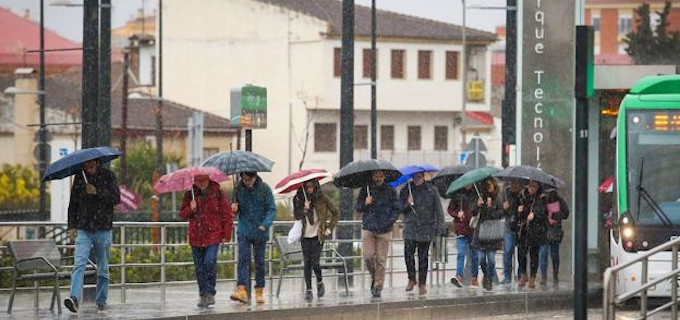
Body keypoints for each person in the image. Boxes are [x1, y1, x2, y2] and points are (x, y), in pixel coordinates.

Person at [64, 159, 120, 313]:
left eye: (91, 166)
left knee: (102, 266)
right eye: (86, 166)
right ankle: (74, 298)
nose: (89, 169)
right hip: (84, 229)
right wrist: (72, 226)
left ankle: (101, 300)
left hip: (103, 228)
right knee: (79, 263)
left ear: (97, 163)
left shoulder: (108, 176)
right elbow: (73, 204)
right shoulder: (79, 178)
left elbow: (116, 198)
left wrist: (97, 192)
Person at [180, 174, 234, 307]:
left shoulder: (218, 194)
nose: (200, 183)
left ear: (208, 179)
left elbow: (226, 214)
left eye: (202, 181)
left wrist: (226, 234)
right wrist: (190, 209)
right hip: (196, 236)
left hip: (213, 235)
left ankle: (210, 292)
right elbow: (182, 214)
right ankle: (203, 293)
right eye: (197, 181)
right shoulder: (190, 194)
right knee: (199, 267)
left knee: (210, 262)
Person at [230, 171, 277, 304]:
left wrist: (265, 224)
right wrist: (233, 208)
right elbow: (233, 210)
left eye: (248, 179)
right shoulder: (237, 189)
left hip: (259, 231)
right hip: (244, 229)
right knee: (243, 259)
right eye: (244, 179)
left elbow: (272, 209)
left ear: (254, 177)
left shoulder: (264, 188)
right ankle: (241, 289)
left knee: (260, 262)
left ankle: (259, 291)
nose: (246, 182)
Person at [356, 170, 402, 298]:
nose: (378, 177)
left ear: (384, 176)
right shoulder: (366, 189)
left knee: (381, 259)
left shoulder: (390, 191)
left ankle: (378, 286)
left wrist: (390, 221)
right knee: (368, 257)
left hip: (385, 229)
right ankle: (375, 278)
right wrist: (365, 203)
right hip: (369, 227)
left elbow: (397, 208)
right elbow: (358, 207)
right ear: (372, 176)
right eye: (375, 175)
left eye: (380, 174)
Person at [292, 180, 340, 301]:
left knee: (315, 262)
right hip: (305, 235)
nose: (309, 189)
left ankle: (319, 281)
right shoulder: (298, 198)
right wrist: (304, 209)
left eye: (311, 186)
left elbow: (336, 212)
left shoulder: (322, 197)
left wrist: (329, 228)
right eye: (307, 187)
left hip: (318, 235)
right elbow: (296, 216)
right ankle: (308, 290)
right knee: (307, 263)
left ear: (316, 186)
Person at [399, 172, 445, 295]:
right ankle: (411, 278)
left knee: (423, 257)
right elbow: (399, 208)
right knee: (408, 254)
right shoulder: (406, 189)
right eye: (415, 176)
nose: (417, 179)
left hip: (426, 227)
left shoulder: (432, 190)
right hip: (410, 227)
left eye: (419, 176)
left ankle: (422, 283)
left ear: (423, 176)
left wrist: (441, 226)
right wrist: (408, 204)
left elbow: (438, 209)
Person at [471, 178, 504, 291]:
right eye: (487, 185)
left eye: (490, 185)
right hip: (481, 232)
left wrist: (490, 208)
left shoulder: (498, 198)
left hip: (493, 232)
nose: (489, 187)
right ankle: (487, 276)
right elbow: (474, 213)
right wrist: (478, 205)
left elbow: (500, 214)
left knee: (491, 260)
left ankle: (489, 279)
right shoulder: (481, 197)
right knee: (481, 259)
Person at [516, 181, 548, 289]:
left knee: (534, 255)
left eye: (534, 186)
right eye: (530, 185)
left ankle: (533, 278)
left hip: (536, 230)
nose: (532, 188)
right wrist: (520, 211)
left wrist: (535, 214)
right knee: (521, 253)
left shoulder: (542, 198)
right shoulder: (522, 196)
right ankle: (524, 274)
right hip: (524, 230)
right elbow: (517, 214)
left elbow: (545, 211)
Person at [449, 184, 479, 288]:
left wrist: (479, 205)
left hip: (473, 229)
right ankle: (459, 276)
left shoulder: (477, 194)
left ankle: (474, 278)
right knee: (461, 253)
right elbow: (450, 209)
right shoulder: (458, 195)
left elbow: (479, 212)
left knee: (475, 256)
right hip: (461, 229)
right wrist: (457, 214)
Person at [539, 189, 570, 286]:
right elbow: (538, 213)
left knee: (554, 255)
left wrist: (554, 215)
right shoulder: (542, 200)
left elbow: (566, 213)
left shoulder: (559, 201)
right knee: (543, 254)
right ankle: (544, 277)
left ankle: (555, 276)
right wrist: (542, 202)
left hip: (555, 232)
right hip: (544, 232)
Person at [501, 181, 523, 285]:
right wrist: (504, 208)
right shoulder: (506, 193)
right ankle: (507, 276)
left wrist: (521, 210)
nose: (514, 185)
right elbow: (501, 213)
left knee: (521, 253)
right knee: (508, 250)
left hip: (520, 226)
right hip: (509, 225)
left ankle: (520, 275)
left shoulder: (523, 194)